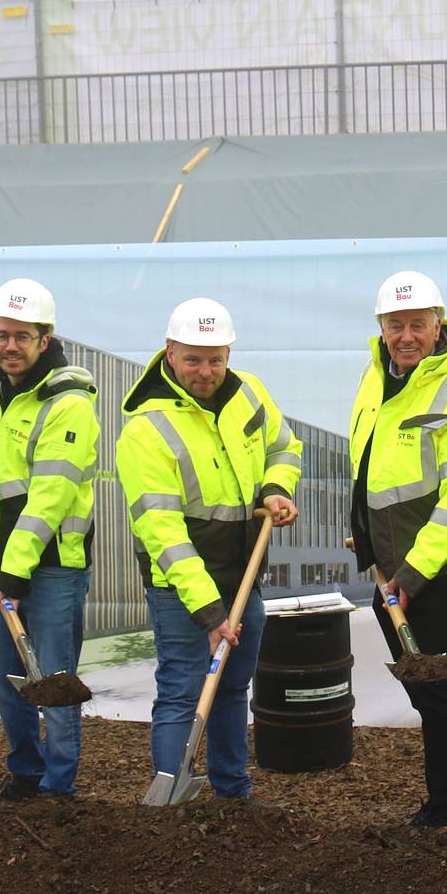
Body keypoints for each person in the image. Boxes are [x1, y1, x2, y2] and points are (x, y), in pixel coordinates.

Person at [115, 297, 302, 802]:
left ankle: (232, 792)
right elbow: (163, 532)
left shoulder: (250, 395)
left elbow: (285, 447)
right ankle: (171, 796)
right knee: (182, 691)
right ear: (169, 353)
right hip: (182, 588)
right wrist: (210, 611)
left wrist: (275, 489)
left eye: (216, 358)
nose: (206, 370)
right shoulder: (145, 430)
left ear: (229, 354)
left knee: (233, 689)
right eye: (193, 358)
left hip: (245, 576)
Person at [348, 270, 447, 833]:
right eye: (396, 325)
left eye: (417, 324)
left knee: (435, 686)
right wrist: (369, 546)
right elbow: (367, 472)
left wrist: (412, 574)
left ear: (439, 326)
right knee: (422, 684)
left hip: (436, 567)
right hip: (390, 566)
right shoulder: (377, 381)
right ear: (382, 329)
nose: (406, 335)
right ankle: (442, 804)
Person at [0, 278, 100, 804]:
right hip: (4, 563)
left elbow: (50, 496)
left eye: (22, 336)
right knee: (4, 676)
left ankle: (58, 787)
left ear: (45, 339)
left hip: (53, 566)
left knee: (53, 683)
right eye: (1, 335)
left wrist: (14, 572)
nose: (9, 346)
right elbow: (1, 475)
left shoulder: (69, 403)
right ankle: (24, 772)